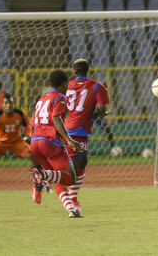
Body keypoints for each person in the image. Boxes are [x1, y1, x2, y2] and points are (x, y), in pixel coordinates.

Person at [29, 69, 83, 218]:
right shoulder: (59, 97)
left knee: (57, 177)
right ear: (64, 84)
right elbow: (55, 118)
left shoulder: (42, 98)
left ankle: (71, 209)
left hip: (35, 143)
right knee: (70, 177)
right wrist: (69, 141)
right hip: (50, 143)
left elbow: (33, 122)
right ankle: (39, 174)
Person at [64, 59, 110, 214]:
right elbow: (101, 110)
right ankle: (69, 200)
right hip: (78, 130)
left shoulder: (66, 85)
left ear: (74, 71)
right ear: (87, 70)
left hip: (63, 127)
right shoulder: (97, 86)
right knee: (75, 165)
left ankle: (72, 198)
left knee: (81, 161)